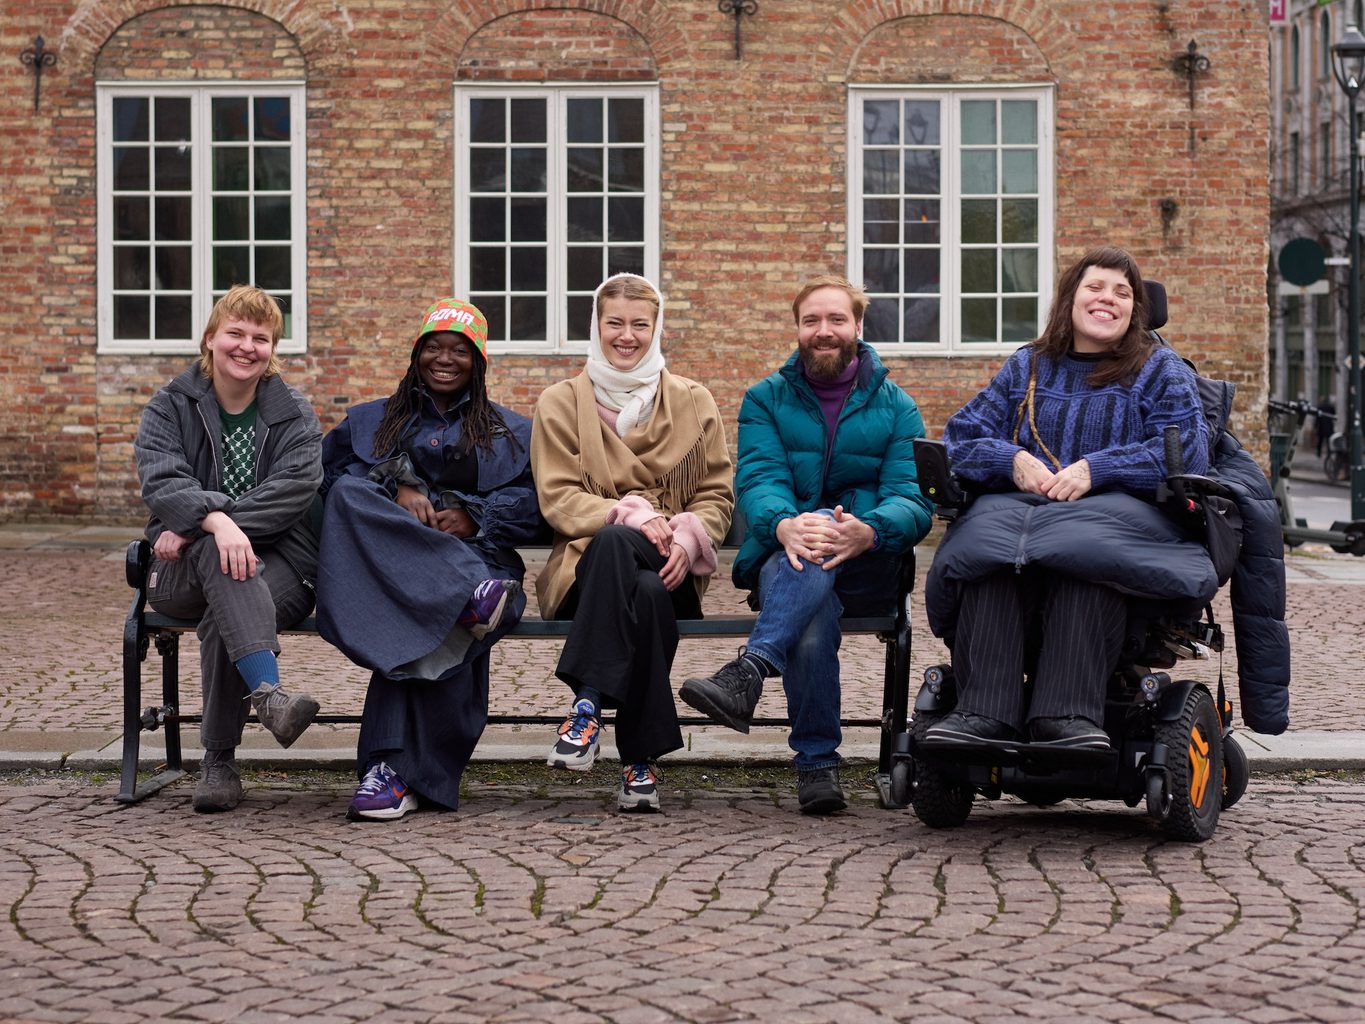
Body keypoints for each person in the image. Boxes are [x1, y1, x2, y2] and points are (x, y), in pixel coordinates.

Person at [921, 245, 1212, 751]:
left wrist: (1097, 469)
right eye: (1095, 287)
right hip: (1022, 523)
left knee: (1082, 557)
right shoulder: (1029, 367)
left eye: (1123, 293)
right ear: (1070, 300)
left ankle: (1066, 716)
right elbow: (960, 438)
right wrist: (1010, 460)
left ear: (1136, 309)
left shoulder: (1161, 370)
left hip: (1116, 527)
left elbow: (1187, 451)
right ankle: (982, 713)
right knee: (991, 557)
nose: (1108, 299)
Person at [680, 275, 932, 814]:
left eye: (836, 320)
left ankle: (752, 672)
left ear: (858, 327)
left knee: (818, 543)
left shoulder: (897, 407)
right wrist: (784, 524)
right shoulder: (764, 400)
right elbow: (759, 480)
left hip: (868, 566)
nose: (824, 331)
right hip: (787, 556)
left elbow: (911, 498)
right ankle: (817, 768)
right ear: (797, 328)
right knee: (812, 614)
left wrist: (868, 530)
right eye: (812, 320)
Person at [316, 298, 540, 822]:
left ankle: (387, 773)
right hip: (397, 572)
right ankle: (461, 595)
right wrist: (396, 489)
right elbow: (331, 485)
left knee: (424, 626)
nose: (445, 359)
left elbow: (540, 507)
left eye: (459, 351)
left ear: (478, 362)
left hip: (485, 568)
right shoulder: (372, 421)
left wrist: (472, 514)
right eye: (433, 348)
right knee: (354, 496)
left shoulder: (512, 432)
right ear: (416, 355)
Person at [531, 273, 733, 813]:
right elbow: (558, 499)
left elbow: (716, 496)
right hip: (585, 572)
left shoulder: (693, 401)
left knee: (648, 580)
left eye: (639, 324)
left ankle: (587, 707)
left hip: (675, 570)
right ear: (595, 326)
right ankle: (638, 760)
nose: (627, 336)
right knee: (631, 568)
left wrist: (689, 540)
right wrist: (628, 512)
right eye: (614, 323)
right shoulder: (559, 403)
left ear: (656, 327)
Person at [134, 285, 323, 814]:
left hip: (283, 566)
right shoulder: (170, 406)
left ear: (272, 350)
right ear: (210, 339)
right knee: (224, 558)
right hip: (176, 576)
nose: (246, 346)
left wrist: (201, 525)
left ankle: (219, 762)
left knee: (227, 601)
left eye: (260, 338)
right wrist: (216, 523)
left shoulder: (294, 414)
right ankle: (268, 695)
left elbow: (295, 489)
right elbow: (161, 479)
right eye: (235, 333)